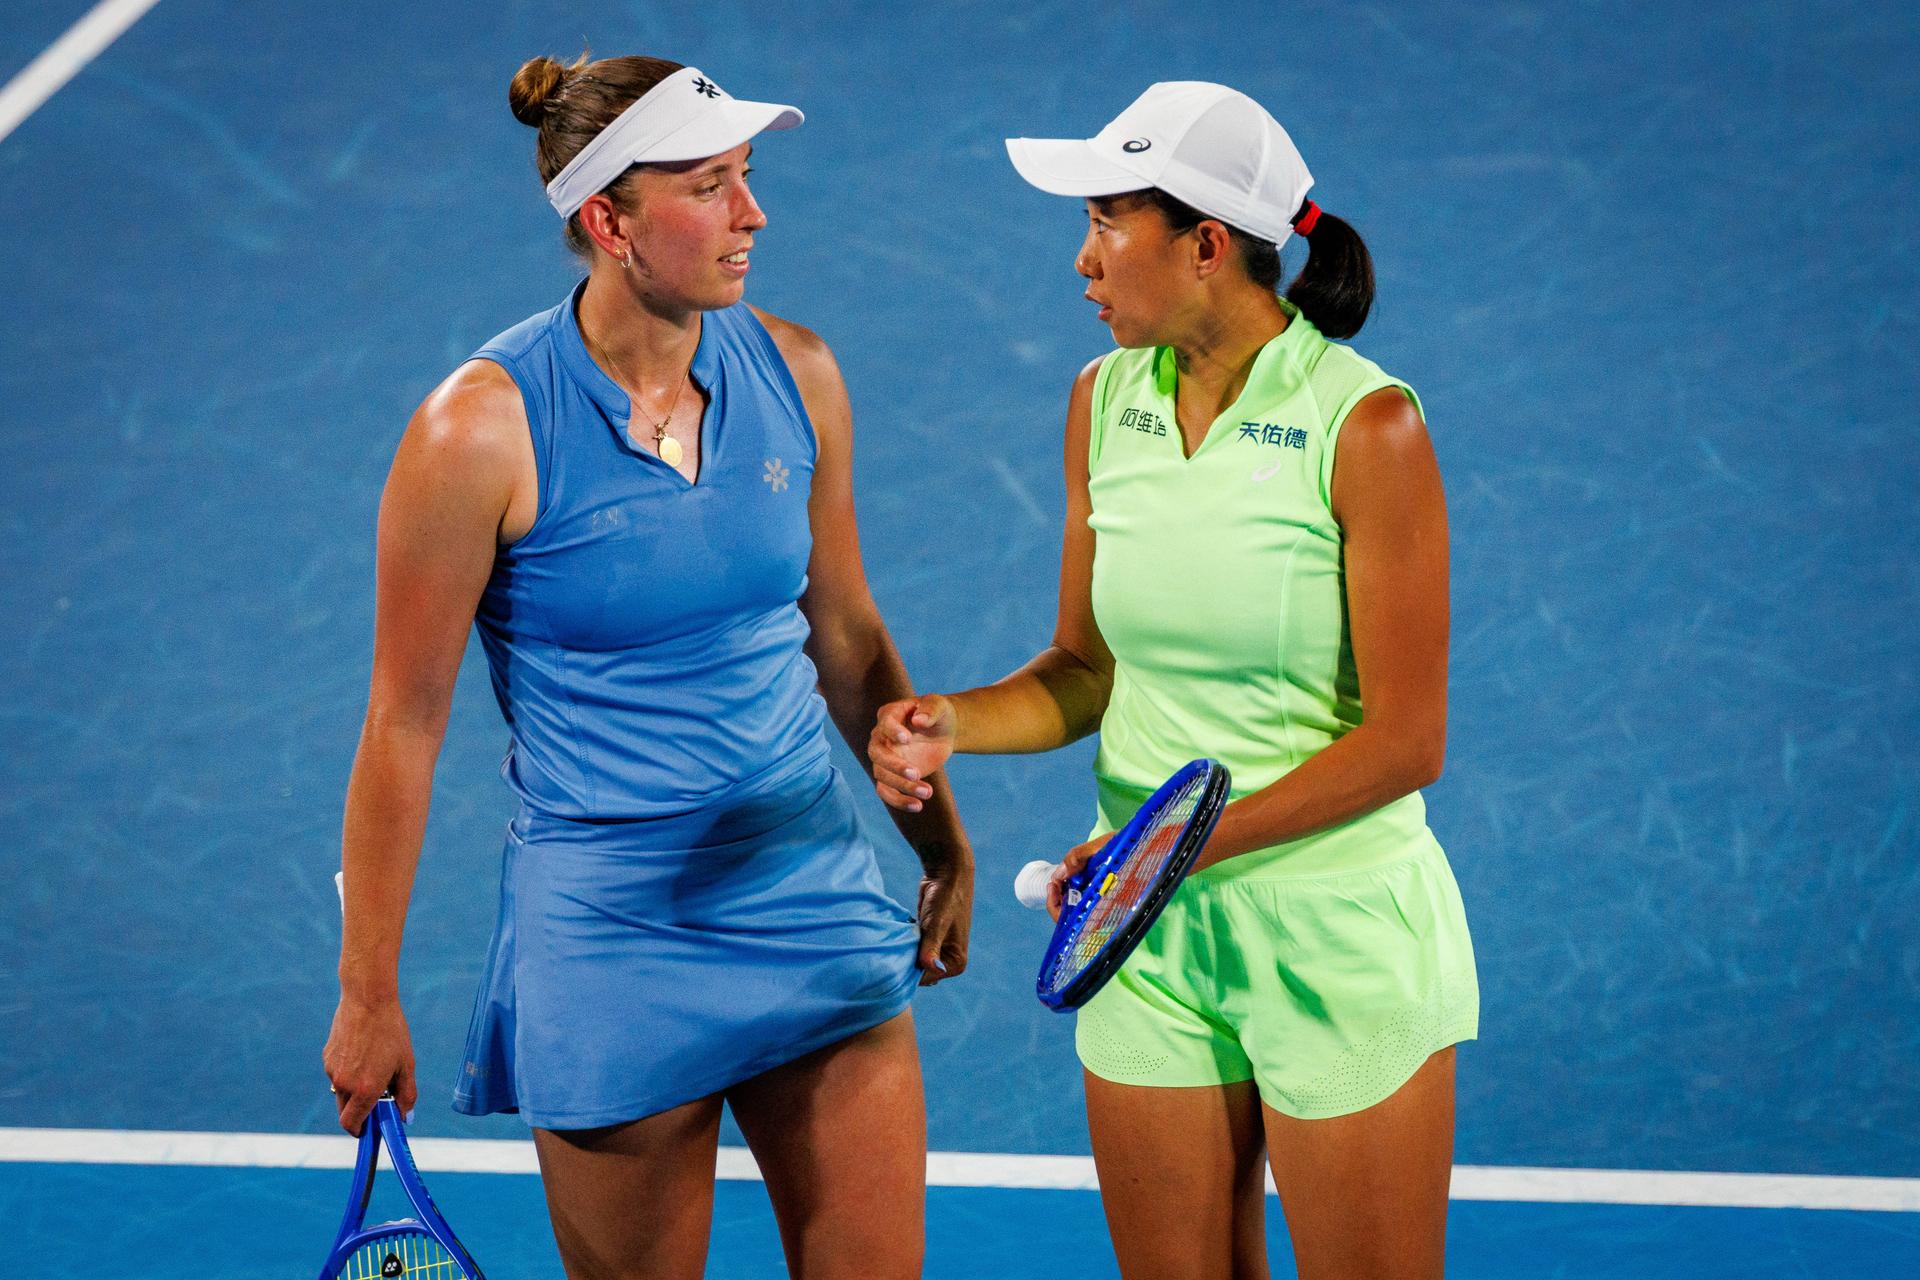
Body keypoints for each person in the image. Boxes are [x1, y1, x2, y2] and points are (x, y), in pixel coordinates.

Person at [322, 52, 973, 1280]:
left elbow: (843, 630)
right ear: (608, 222)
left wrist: (942, 842)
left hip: (806, 888)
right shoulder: (478, 432)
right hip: (609, 933)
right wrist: (368, 993)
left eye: (747, 176)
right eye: (710, 186)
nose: (753, 214)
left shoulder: (799, 372)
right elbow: (402, 725)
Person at [870, 82, 1478, 1279]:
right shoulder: (1102, 402)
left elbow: (1407, 741)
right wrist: (953, 723)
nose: (1083, 258)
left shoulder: (1366, 427)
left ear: (1206, 244)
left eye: (1108, 222)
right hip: (1145, 933)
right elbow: (1084, 668)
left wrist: (1172, 847)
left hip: (1333, 930)